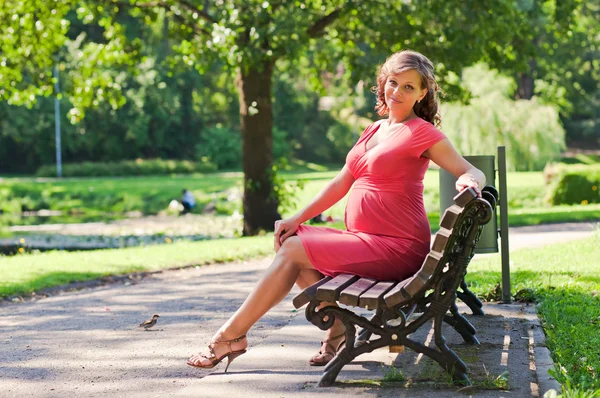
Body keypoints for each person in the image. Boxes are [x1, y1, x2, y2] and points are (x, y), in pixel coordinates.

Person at [186, 50, 486, 370]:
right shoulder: (373, 130)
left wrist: (469, 180)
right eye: (393, 83)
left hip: (397, 247)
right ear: (384, 83)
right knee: (292, 241)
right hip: (366, 239)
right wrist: (295, 219)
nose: (397, 92)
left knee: (294, 251)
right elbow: (340, 183)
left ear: (423, 93)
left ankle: (230, 336)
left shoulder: (423, 133)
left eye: (409, 87)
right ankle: (336, 331)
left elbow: (471, 170)